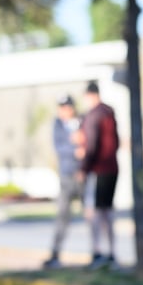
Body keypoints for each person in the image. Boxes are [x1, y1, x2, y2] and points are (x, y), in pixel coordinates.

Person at [79, 81, 120, 269]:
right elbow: (117, 141)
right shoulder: (109, 112)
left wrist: (84, 168)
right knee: (107, 211)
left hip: (98, 169)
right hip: (112, 168)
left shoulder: (94, 115)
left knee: (93, 212)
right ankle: (112, 252)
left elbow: (92, 145)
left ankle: (97, 252)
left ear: (90, 95)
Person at [42, 94, 84, 269]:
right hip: (66, 176)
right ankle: (55, 253)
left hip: (83, 174)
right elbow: (59, 148)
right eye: (61, 107)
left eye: (67, 107)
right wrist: (75, 147)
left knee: (93, 215)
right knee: (62, 216)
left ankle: (100, 254)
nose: (64, 111)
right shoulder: (57, 125)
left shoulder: (82, 121)